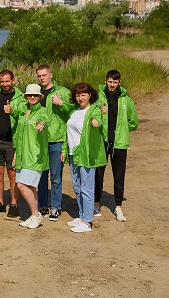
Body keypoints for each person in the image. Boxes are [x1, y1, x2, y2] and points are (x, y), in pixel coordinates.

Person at [62, 83, 107, 233]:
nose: (80, 98)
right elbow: (68, 132)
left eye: (83, 95)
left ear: (90, 95)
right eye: (77, 95)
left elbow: (99, 120)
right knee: (77, 187)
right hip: (73, 153)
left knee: (86, 188)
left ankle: (87, 222)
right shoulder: (75, 111)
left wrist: (96, 123)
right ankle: (81, 216)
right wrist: (64, 149)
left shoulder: (93, 110)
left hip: (86, 153)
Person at [95, 70, 139, 221]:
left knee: (119, 175)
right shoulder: (98, 97)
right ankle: (96, 204)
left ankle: (118, 207)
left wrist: (123, 129)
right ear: (105, 81)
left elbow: (134, 122)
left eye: (115, 82)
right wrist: (99, 112)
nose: (112, 85)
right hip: (102, 141)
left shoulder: (127, 100)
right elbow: (91, 115)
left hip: (119, 143)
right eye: (109, 82)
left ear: (119, 82)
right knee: (97, 174)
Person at [36, 64, 73, 221]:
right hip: (40, 140)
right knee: (41, 175)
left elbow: (73, 111)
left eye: (44, 75)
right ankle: (43, 205)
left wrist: (61, 103)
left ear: (51, 74)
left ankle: (55, 207)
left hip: (57, 139)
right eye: (39, 75)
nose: (42, 78)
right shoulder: (35, 92)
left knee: (56, 176)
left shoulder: (62, 92)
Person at [12, 84, 51, 229]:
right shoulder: (24, 111)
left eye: (35, 95)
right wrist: (16, 154)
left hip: (35, 156)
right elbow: (19, 136)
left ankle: (36, 214)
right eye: (30, 95)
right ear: (26, 97)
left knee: (21, 185)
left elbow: (44, 120)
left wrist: (42, 125)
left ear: (40, 97)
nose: (32, 97)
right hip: (23, 155)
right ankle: (34, 215)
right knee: (31, 187)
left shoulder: (42, 111)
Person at [0, 69, 25, 218]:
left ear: (13, 81)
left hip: (12, 140)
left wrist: (13, 110)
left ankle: (14, 204)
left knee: (12, 174)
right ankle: (0, 203)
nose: (4, 84)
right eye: (2, 81)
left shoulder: (20, 97)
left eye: (7, 81)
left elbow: (23, 114)